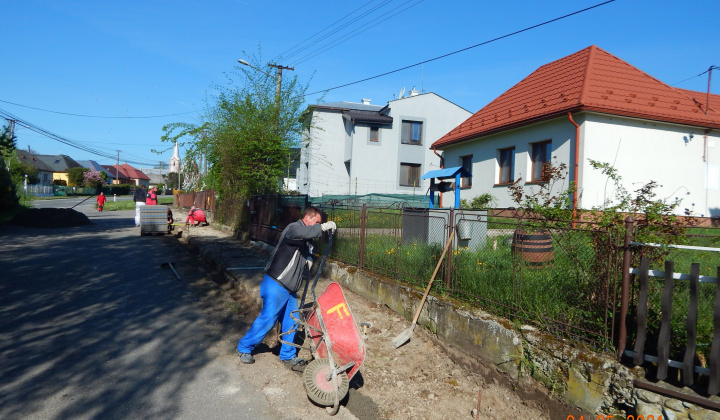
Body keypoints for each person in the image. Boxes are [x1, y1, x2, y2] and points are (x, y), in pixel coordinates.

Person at [237, 206, 336, 368]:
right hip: (276, 283)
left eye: (320, 224)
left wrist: (309, 257)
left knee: (292, 322)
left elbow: (306, 246)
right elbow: (301, 234)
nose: (318, 226)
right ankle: (244, 347)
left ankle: (287, 355)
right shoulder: (294, 228)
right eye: (317, 222)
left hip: (290, 289)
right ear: (308, 218)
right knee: (268, 318)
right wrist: (323, 228)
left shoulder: (306, 237)